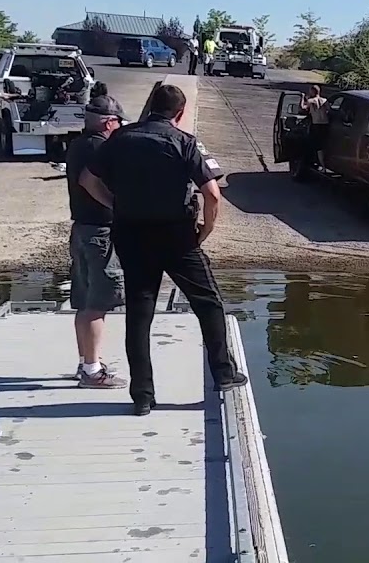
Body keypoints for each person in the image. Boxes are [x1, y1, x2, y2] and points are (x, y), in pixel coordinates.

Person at [80, 84, 247, 416]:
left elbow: (87, 179)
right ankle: (224, 375)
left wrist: (115, 205)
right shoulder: (184, 142)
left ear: (149, 106)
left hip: (131, 234)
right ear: (180, 114)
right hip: (177, 237)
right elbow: (212, 194)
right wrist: (205, 231)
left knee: (140, 315)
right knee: (208, 303)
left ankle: (142, 396)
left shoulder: (120, 139)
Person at [65, 95, 130, 389]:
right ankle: (92, 373)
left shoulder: (78, 145)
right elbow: (88, 181)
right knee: (98, 304)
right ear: (108, 122)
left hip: (81, 229)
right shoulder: (100, 148)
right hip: (99, 234)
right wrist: (118, 206)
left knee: (84, 301)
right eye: (117, 123)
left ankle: (86, 362)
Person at [300, 85, 329, 168]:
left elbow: (302, 108)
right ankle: (324, 163)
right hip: (325, 124)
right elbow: (329, 110)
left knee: (316, 146)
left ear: (313, 91)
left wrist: (302, 98)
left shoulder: (311, 101)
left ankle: (321, 164)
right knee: (324, 144)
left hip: (316, 124)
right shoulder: (325, 100)